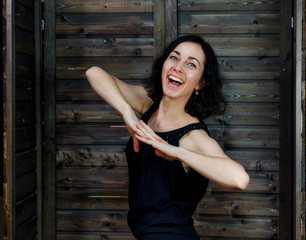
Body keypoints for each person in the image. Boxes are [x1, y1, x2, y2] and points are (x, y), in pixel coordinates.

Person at [86, 35, 250, 240]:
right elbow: (94, 73)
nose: (178, 67)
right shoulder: (148, 106)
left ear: (201, 83)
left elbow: (239, 179)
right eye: (174, 58)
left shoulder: (193, 136)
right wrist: (126, 112)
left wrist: (177, 152)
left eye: (191, 64)